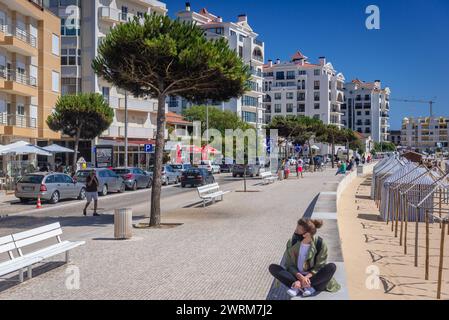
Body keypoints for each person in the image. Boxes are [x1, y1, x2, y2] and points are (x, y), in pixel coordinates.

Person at [269, 219, 340, 298]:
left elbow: (319, 266)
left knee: (331, 267)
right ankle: (299, 285)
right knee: (273, 267)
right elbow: (289, 265)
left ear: (306, 234)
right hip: (296, 276)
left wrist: (305, 278)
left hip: (315, 279)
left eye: (297, 230)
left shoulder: (320, 244)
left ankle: (300, 286)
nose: (295, 232)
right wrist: (300, 278)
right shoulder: (292, 242)